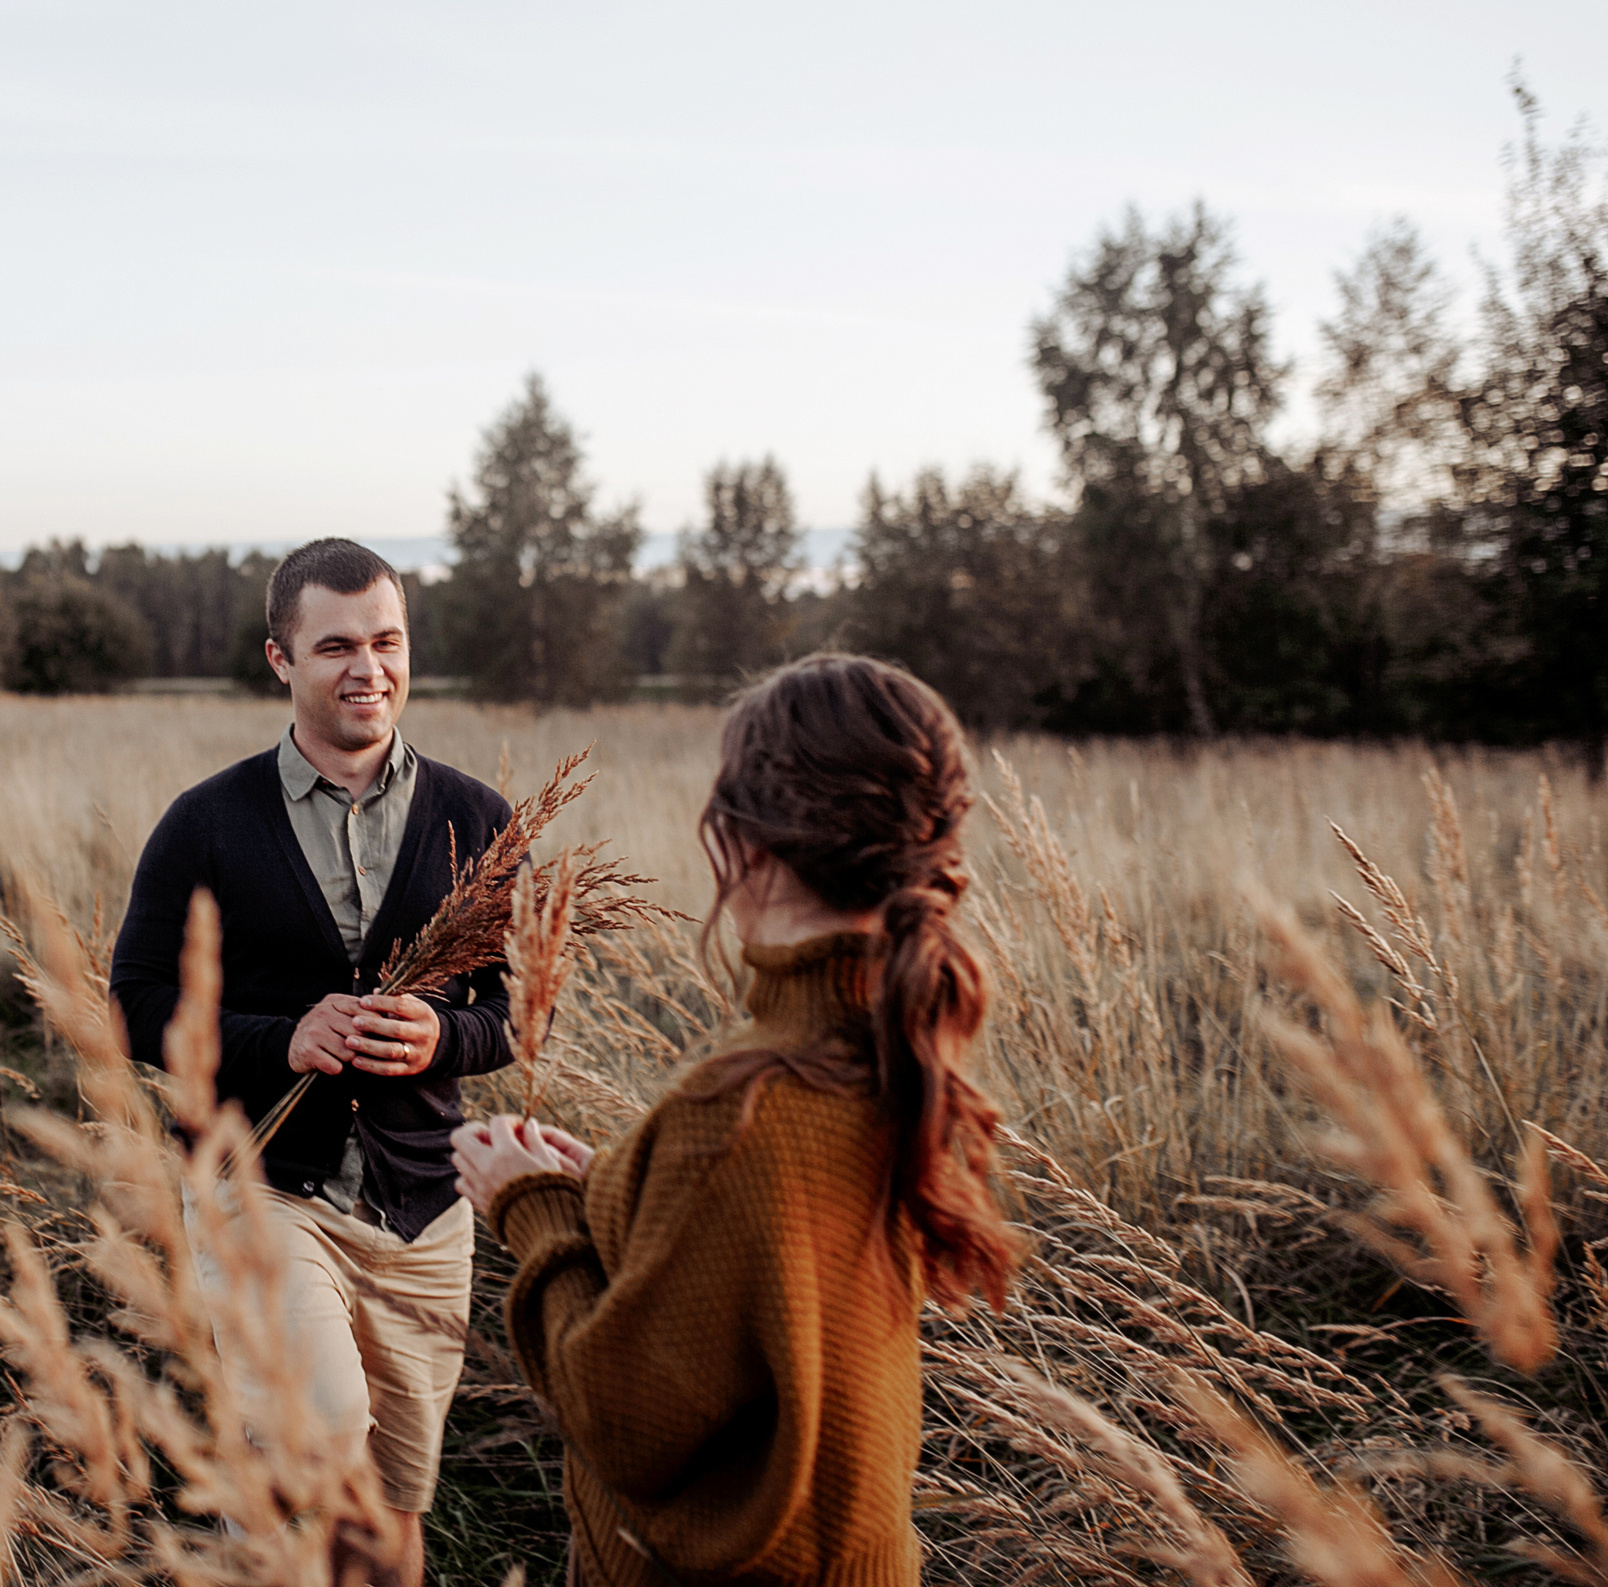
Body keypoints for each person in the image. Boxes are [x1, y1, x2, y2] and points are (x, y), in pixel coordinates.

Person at [451, 653, 1021, 1587]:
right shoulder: (891, 1051)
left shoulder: (744, 1111)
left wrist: (535, 1212)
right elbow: (772, 1275)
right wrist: (616, 1190)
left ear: (748, 837)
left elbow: (622, 1422)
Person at [109, 537, 515, 1587]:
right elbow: (134, 1004)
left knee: (391, 1506)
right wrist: (275, 1037)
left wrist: (446, 1035)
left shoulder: (478, 821)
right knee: (311, 1444)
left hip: (424, 1208)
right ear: (280, 659)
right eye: (336, 645)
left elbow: (517, 1012)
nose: (368, 668)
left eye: (387, 641)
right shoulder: (205, 823)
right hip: (264, 1189)